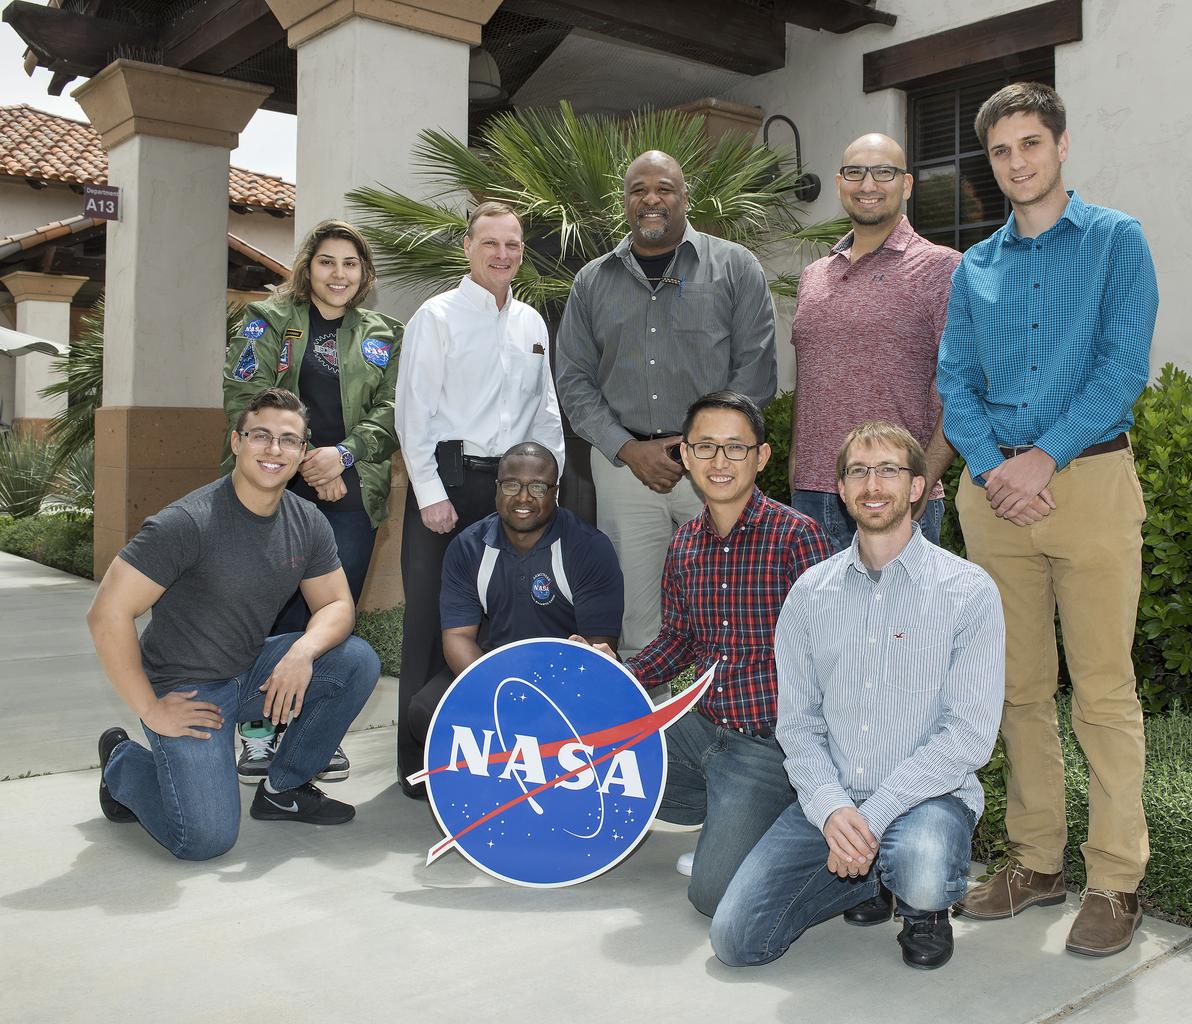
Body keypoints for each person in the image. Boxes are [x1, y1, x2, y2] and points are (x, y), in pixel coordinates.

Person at [936, 82, 1158, 957]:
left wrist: (1044, 456)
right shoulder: (975, 268)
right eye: (1001, 150)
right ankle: (1036, 862)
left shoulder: (1116, 239)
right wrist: (995, 469)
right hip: (995, 501)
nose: (1017, 161)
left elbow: (1123, 365)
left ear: (1061, 146)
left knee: (1102, 690)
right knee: (1017, 688)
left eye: (1031, 143)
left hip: (1090, 482)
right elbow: (955, 383)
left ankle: (1116, 879)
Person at [710, 421, 1004, 970]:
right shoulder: (809, 593)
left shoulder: (968, 591)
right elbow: (798, 726)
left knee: (921, 863)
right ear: (841, 490)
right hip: (836, 798)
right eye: (859, 472)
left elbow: (968, 735)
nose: (873, 485)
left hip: (927, 798)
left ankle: (920, 906)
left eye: (889, 470)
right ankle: (866, 879)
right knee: (737, 941)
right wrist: (831, 808)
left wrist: (876, 814)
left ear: (917, 487)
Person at [90, 388, 380, 860]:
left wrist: (302, 653)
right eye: (260, 435)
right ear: (236, 442)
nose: (274, 449)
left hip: (249, 669)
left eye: (288, 440)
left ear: (302, 452)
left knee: (355, 660)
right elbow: (107, 613)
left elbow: (336, 605)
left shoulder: (306, 521)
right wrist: (151, 708)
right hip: (188, 687)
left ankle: (284, 789)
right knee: (204, 839)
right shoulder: (187, 522)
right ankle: (122, 762)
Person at [585, 391, 832, 917]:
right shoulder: (686, 544)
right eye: (705, 447)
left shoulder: (796, 537)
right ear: (686, 456)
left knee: (711, 896)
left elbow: (832, 653)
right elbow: (679, 640)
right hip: (702, 728)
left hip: (769, 746)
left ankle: (792, 820)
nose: (720, 461)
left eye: (735, 448)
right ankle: (732, 817)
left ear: (761, 457)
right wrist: (617, 674)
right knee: (592, 752)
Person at [555, 150, 777, 660]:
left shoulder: (735, 267)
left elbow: (756, 369)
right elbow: (573, 380)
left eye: (664, 189)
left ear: (684, 197)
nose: (650, 199)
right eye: (638, 190)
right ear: (625, 201)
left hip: (717, 464)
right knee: (636, 621)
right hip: (624, 468)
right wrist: (627, 449)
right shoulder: (591, 281)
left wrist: (699, 448)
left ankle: (724, 707)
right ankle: (649, 711)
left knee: (731, 607)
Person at [222, 219, 403, 786]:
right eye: (327, 261)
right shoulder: (266, 319)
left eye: (350, 263)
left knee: (331, 616)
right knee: (270, 612)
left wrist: (342, 456)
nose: (338, 274)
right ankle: (256, 729)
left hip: (351, 492)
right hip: (274, 488)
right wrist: (308, 461)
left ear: (364, 273)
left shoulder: (386, 334)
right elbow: (244, 397)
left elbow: (396, 408)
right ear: (308, 267)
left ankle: (315, 734)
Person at [395, 202, 565, 797]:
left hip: (514, 489)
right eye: (490, 243)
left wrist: (549, 485)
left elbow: (546, 411)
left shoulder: (532, 323)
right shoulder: (435, 317)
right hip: (449, 485)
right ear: (467, 247)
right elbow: (413, 411)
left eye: (512, 244)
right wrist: (429, 493)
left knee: (502, 619)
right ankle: (419, 765)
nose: (502, 254)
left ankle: (489, 758)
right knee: (430, 621)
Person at [402, 442, 623, 770]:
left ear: (555, 492)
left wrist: (543, 701)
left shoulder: (588, 547)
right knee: (427, 712)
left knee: (599, 719)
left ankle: (552, 771)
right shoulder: (469, 547)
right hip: (497, 670)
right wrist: (500, 692)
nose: (523, 498)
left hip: (566, 678)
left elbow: (599, 647)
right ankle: (495, 775)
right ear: (496, 488)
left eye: (538, 487)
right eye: (511, 485)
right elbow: (458, 637)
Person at [789, 134, 959, 548]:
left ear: (906, 184)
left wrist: (922, 481)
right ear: (839, 183)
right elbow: (808, 381)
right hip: (812, 498)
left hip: (894, 494)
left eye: (883, 172)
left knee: (901, 597)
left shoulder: (941, 268)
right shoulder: (814, 277)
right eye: (855, 172)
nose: (868, 184)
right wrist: (796, 472)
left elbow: (965, 388)